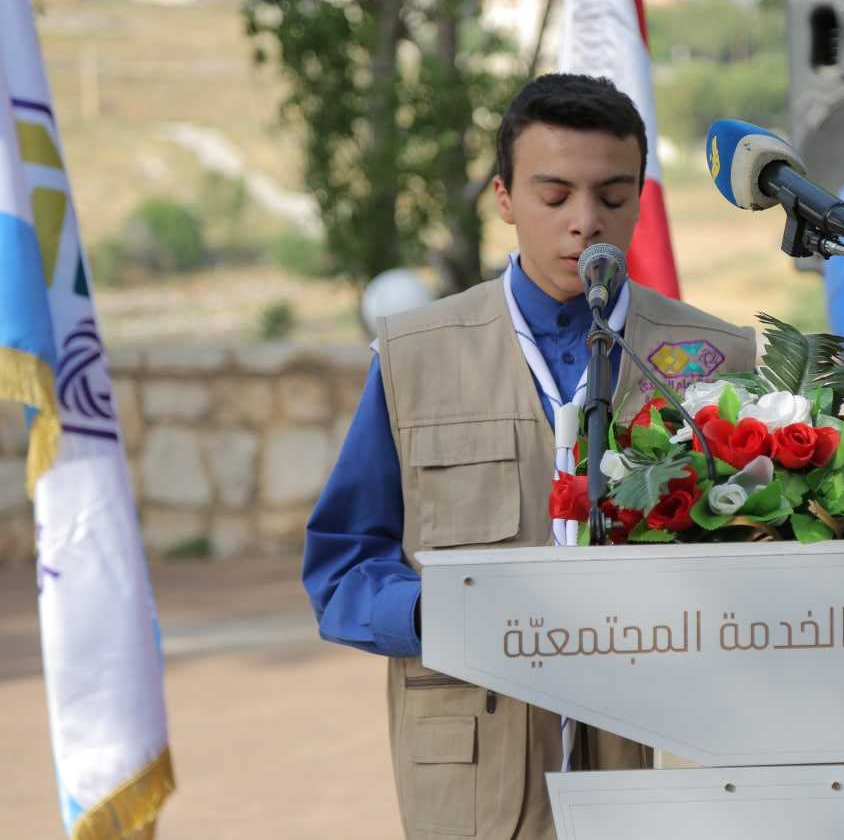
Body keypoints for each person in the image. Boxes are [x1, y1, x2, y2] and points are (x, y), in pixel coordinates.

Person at [304, 74, 756, 840]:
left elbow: (763, 555)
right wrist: (435, 612)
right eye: (554, 196)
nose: (585, 222)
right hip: (476, 772)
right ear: (505, 198)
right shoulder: (414, 357)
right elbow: (342, 563)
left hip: (658, 758)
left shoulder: (715, 358)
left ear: (640, 200)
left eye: (613, 196)